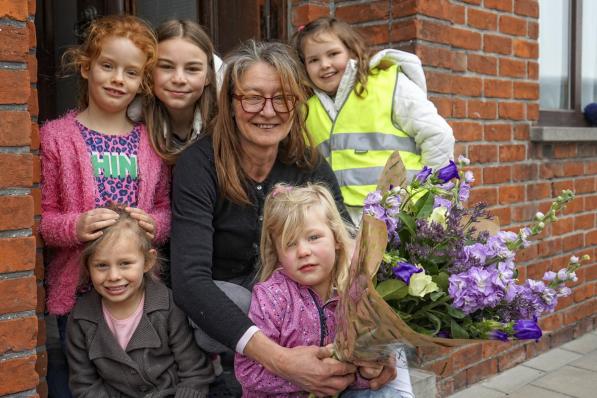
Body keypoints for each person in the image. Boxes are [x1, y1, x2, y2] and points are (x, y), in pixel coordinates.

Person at [170, 40, 395, 397]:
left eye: (282, 98)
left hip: (301, 305)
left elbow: (348, 247)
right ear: (230, 104)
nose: (269, 111)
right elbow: (188, 280)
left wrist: (379, 348)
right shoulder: (199, 166)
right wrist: (283, 361)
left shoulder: (306, 163)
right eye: (253, 97)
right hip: (233, 314)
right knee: (242, 301)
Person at [39, 15, 170, 397]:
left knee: (139, 380)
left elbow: (165, 208)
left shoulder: (149, 142)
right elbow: (42, 218)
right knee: (86, 386)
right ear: (86, 67)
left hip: (137, 293)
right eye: (107, 66)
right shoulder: (56, 138)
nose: (118, 79)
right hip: (78, 295)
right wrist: (75, 227)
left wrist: (155, 224)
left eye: (131, 73)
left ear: (142, 81)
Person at [235, 183, 414, 398]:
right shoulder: (272, 296)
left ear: (337, 238)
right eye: (290, 244)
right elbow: (248, 371)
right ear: (278, 253)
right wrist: (300, 377)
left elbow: (363, 361)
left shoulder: (355, 291)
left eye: (313, 237)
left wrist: (367, 371)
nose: (303, 251)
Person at [293, 16, 455, 223]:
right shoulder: (307, 110)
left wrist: (432, 198)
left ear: (352, 52)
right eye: (313, 60)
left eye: (333, 54)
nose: (324, 65)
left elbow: (438, 135)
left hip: (402, 218)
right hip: (341, 224)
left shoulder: (387, 84)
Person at [66, 206, 214, 397]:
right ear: (88, 266)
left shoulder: (169, 307)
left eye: (125, 263)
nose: (113, 276)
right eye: (101, 265)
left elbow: (194, 374)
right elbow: (85, 385)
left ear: (148, 261)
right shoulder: (81, 319)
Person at [128, 19, 224, 164]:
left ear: (209, 76)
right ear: (148, 70)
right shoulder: (133, 120)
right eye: (166, 66)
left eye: (192, 69)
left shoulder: (224, 121)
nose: (179, 79)